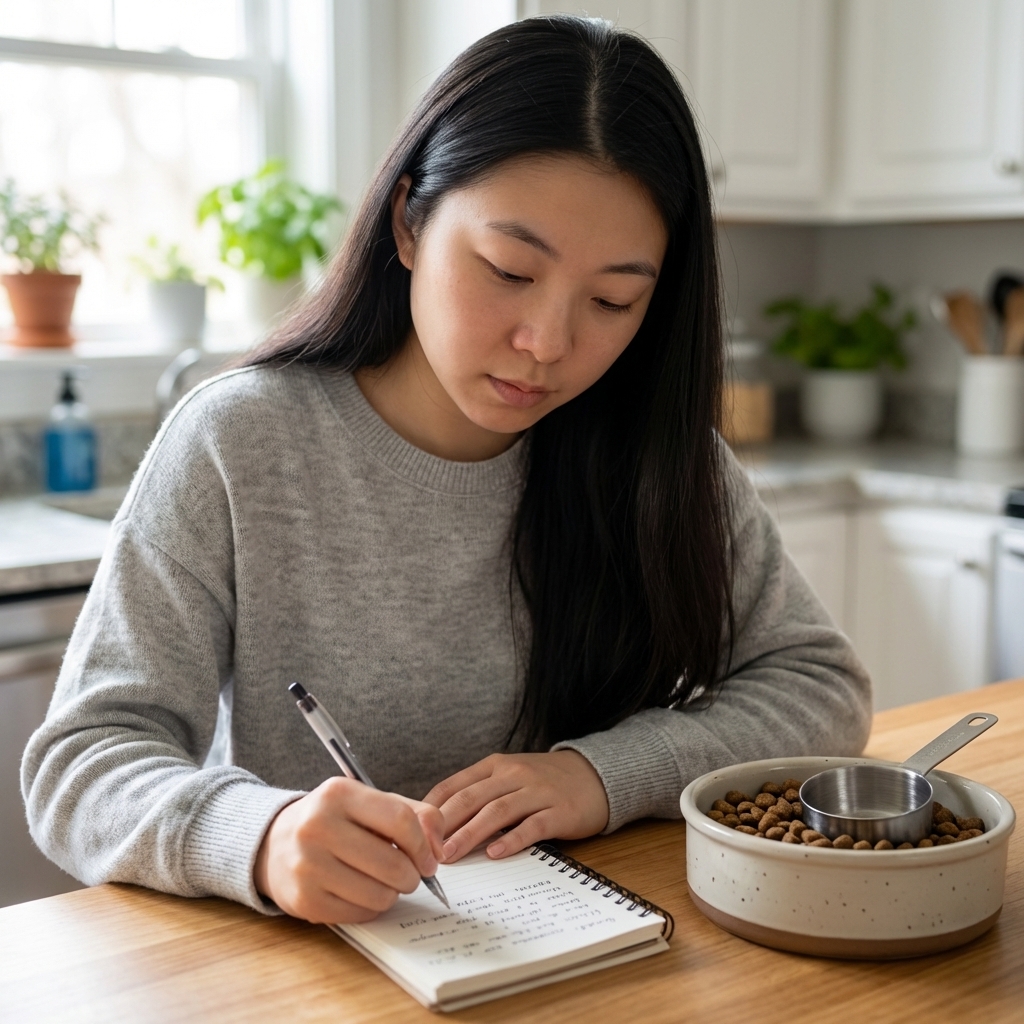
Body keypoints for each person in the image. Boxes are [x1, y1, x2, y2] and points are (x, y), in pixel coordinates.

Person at [22, 16, 870, 926]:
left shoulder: (657, 454)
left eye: (612, 300)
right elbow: (83, 763)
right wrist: (260, 837)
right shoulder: (241, 441)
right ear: (410, 223)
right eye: (509, 270)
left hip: (594, 946)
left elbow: (820, 686)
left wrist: (600, 775)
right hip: (310, 967)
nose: (548, 344)